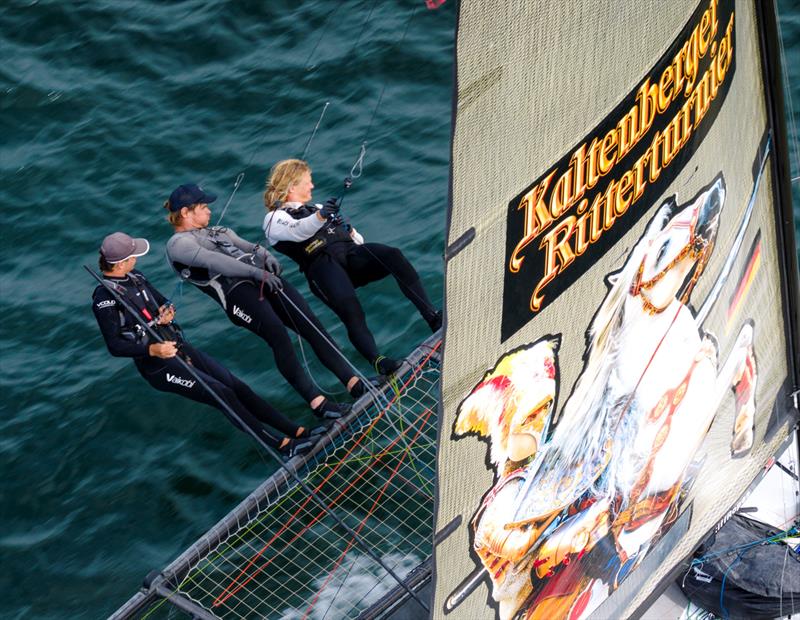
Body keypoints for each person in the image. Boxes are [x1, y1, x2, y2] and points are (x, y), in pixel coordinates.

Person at [91, 232, 317, 460]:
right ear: (120, 263)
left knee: (237, 386)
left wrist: (167, 310)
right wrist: (152, 350)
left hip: (180, 347)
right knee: (222, 394)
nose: (136, 259)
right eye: (133, 256)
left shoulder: (136, 276)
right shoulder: (104, 298)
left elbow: (162, 302)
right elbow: (115, 345)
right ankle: (280, 445)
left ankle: (295, 430)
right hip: (159, 366)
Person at [163, 183, 365, 422]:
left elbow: (249, 247)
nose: (209, 211)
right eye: (204, 206)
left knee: (310, 325)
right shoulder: (177, 244)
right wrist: (257, 274)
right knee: (279, 335)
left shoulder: (219, 230)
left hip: (264, 280)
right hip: (238, 295)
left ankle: (354, 383)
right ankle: (319, 404)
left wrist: (265, 255)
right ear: (185, 212)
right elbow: (215, 262)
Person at [262, 159, 441, 375]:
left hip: (350, 255)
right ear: (292, 187)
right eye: (308, 182)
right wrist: (321, 216)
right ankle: (377, 361)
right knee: (351, 309)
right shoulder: (274, 218)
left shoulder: (317, 208)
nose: (312, 186)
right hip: (322, 268)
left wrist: (349, 229)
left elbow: (357, 240)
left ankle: (431, 316)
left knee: (393, 256)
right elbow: (298, 230)